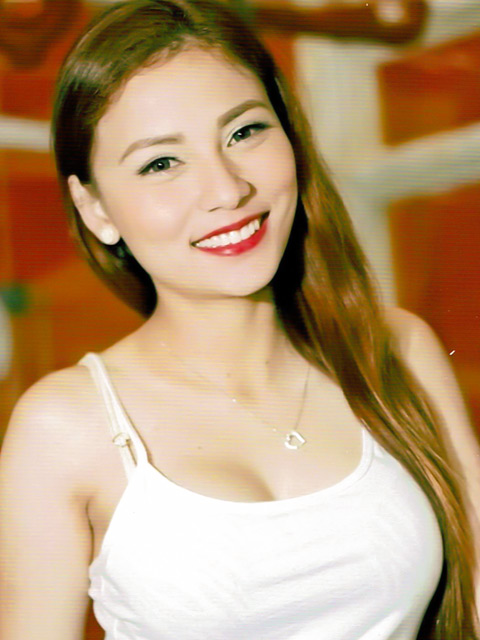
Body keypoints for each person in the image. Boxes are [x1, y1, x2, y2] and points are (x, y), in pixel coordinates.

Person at [0, 0, 479, 637]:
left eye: (244, 132)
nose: (227, 190)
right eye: (161, 163)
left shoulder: (395, 348)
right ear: (96, 210)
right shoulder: (64, 425)